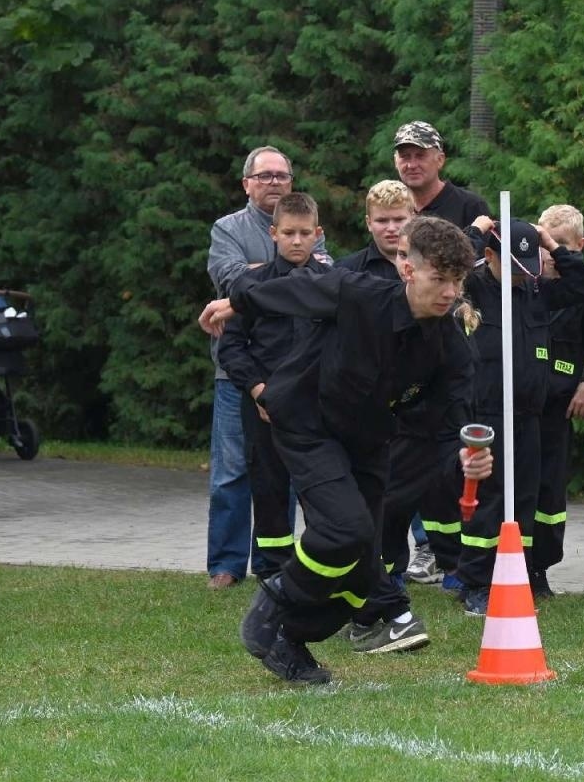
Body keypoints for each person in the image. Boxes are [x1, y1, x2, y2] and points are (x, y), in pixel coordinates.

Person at [199, 215, 491, 684]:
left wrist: (466, 452)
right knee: (347, 529)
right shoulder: (359, 294)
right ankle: (273, 605)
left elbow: (452, 417)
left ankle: (288, 640)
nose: (449, 292)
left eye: (457, 281)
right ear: (407, 270)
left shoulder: (449, 346)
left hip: (368, 442)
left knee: (362, 566)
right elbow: (295, 289)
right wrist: (235, 302)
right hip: (306, 421)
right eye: (439, 279)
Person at [456, 217, 584, 617]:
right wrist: (476, 231)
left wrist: (552, 244)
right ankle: (477, 583)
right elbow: (447, 264)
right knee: (491, 499)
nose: (522, 275)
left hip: (529, 416)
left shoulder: (534, 291)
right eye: (513, 266)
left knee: (526, 499)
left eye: (528, 264)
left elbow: (582, 288)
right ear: (489, 257)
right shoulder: (476, 289)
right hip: (488, 414)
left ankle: (519, 576)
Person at [204, 146, 327, 590]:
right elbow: (232, 279)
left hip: (304, 390)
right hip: (241, 380)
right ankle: (226, 563)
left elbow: (323, 272)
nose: (275, 182)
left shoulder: (305, 222)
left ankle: (287, 564)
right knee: (234, 471)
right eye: (265, 176)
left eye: (282, 175)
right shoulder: (228, 228)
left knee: (296, 478)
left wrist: (270, 276)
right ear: (247, 184)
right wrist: (280, 275)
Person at [336, 179, 451, 596]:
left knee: (402, 500)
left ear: (414, 219)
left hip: (414, 411)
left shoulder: (432, 272)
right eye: (381, 221)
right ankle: (365, 580)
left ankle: (397, 573)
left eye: (398, 220)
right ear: (368, 223)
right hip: (364, 410)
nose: (389, 228)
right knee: (367, 503)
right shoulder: (348, 272)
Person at [532, 204, 584, 597]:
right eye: (545, 245)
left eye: (560, 246)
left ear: (578, 246)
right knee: (517, 488)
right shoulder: (524, 287)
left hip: (557, 408)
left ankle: (541, 569)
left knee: (550, 490)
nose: (551, 255)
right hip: (521, 407)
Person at [392, 121, 489, 226]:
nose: (412, 165)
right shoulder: (391, 207)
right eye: (405, 156)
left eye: (420, 156)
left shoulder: (469, 207)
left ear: (440, 160)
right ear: (395, 162)